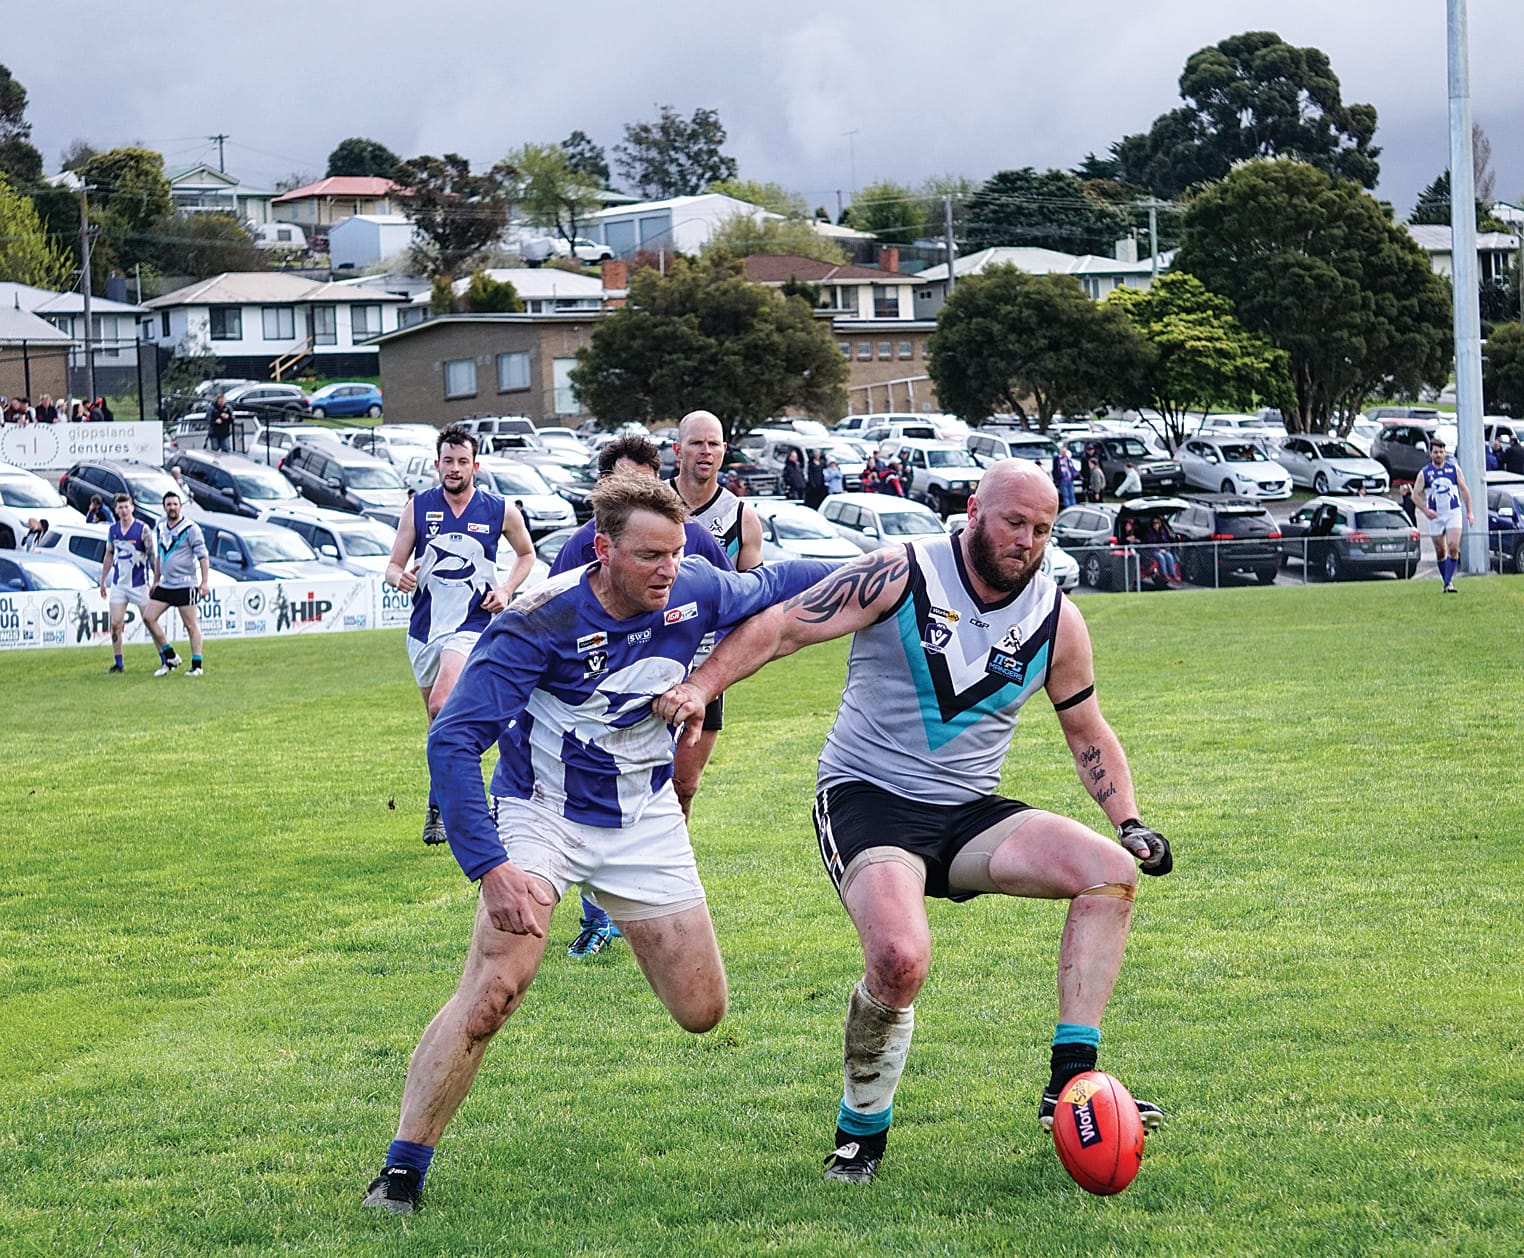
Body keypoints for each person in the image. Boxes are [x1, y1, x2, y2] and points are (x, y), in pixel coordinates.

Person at [654, 458, 1172, 1184]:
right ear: (973, 512)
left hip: (966, 813)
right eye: (1014, 522)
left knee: (1110, 876)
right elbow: (782, 629)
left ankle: (1070, 1081)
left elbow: (1085, 730)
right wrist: (701, 686)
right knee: (900, 958)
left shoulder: (1057, 616)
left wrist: (1130, 820)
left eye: (1043, 530)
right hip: (868, 799)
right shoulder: (900, 573)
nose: (1028, 541)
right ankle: (859, 1136)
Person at [360, 475, 838, 1215]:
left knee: (703, 1010)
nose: (667, 569)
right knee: (492, 991)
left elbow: (782, 581)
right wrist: (490, 869)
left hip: (644, 820)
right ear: (603, 548)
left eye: (676, 553)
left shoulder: (697, 588)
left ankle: (605, 906)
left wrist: (897, 565)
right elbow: (453, 742)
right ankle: (400, 1172)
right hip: (540, 815)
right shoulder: (535, 622)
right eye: (650, 555)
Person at [547, 432, 731, 957]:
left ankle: (661, 893)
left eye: (643, 483)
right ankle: (599, 917)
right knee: (601, 799)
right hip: (608, 702)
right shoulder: (579, 548)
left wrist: (705, 676)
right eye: (622, 483)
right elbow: (554, 627)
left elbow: (736, 603)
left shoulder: (691, 537)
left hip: (687, 685)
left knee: (678, 788)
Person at [385, 424, 535, 846]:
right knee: (438, 723)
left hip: (471, 624)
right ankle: (443, 802)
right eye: (447, 461)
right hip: (424, 628)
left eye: (462, 461)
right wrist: (399, 577)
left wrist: (506, 590)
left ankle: (445, 807)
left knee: (442, 705)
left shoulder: (499, 509)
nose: (454, 468)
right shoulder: (418, 508)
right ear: (437, 465)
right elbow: (393, 564)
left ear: (476, 465)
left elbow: (527, 554)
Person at [665, 408, 763, 821]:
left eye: (713, 444)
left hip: (705, 668)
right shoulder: (650, 504)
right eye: (695, 443)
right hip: (648, 655)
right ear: (677, 450)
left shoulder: (741, 517)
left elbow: (754, 597)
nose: (705, 452)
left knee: (684, 784)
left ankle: (671, 870)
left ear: (724, 451)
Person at [142, 492, 209, 677]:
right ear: (164, 507)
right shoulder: (161, 526)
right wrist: (155, 580)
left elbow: (203, 556)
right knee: (148, 617)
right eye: (168, 504)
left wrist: (204, 582)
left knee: (190, 625)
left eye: (175, 504)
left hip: (185, 584)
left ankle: (197, 665)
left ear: (180, 506)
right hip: (166, 583)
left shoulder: (191, 528)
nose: (172, 507)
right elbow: (159, 556)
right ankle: (170, 656)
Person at [99, 492, 154, 673]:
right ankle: (118, 663)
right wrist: (103, 580)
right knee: (115, 623)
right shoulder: (113, 530)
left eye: (126, 507)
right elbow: (109, 554)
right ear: (115, 510)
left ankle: (166, 657)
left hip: (139, 583)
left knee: (150, 621)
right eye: (120, 507)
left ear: (132, 508)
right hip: (119, 584)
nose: (123, 511)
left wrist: (157, 578)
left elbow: (152, 555)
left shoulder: (142, 529)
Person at [1411, 436, 1473, 593]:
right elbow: (1415, 495)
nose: (1438, 455)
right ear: (1431, 454)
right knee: (1440, 551)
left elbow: (1464, 490)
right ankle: (1447, 581)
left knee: (1453, 546)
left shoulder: (1454, 469)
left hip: (1453, 512)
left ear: (1445, 453)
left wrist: (1469, 512)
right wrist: (1425, 510)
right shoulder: (1425, 473)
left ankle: (1448, 582)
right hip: (1435, 515)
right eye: (1435, 452)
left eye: (1441, 452)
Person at [1143, 515, 1181, 585]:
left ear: (1160, 524)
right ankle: (1164, 574)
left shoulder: (1163, 532)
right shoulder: (1149, 532)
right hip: (1152, 550)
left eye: (1157, 522)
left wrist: (1165, 549)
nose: (1156, 524)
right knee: (1161, 557)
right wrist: (1158, 550)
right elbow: (1149, 544)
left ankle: (1172, 574)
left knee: (1169, 556)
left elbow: (1167, 542)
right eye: (1154, 523)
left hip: (1163, 550)